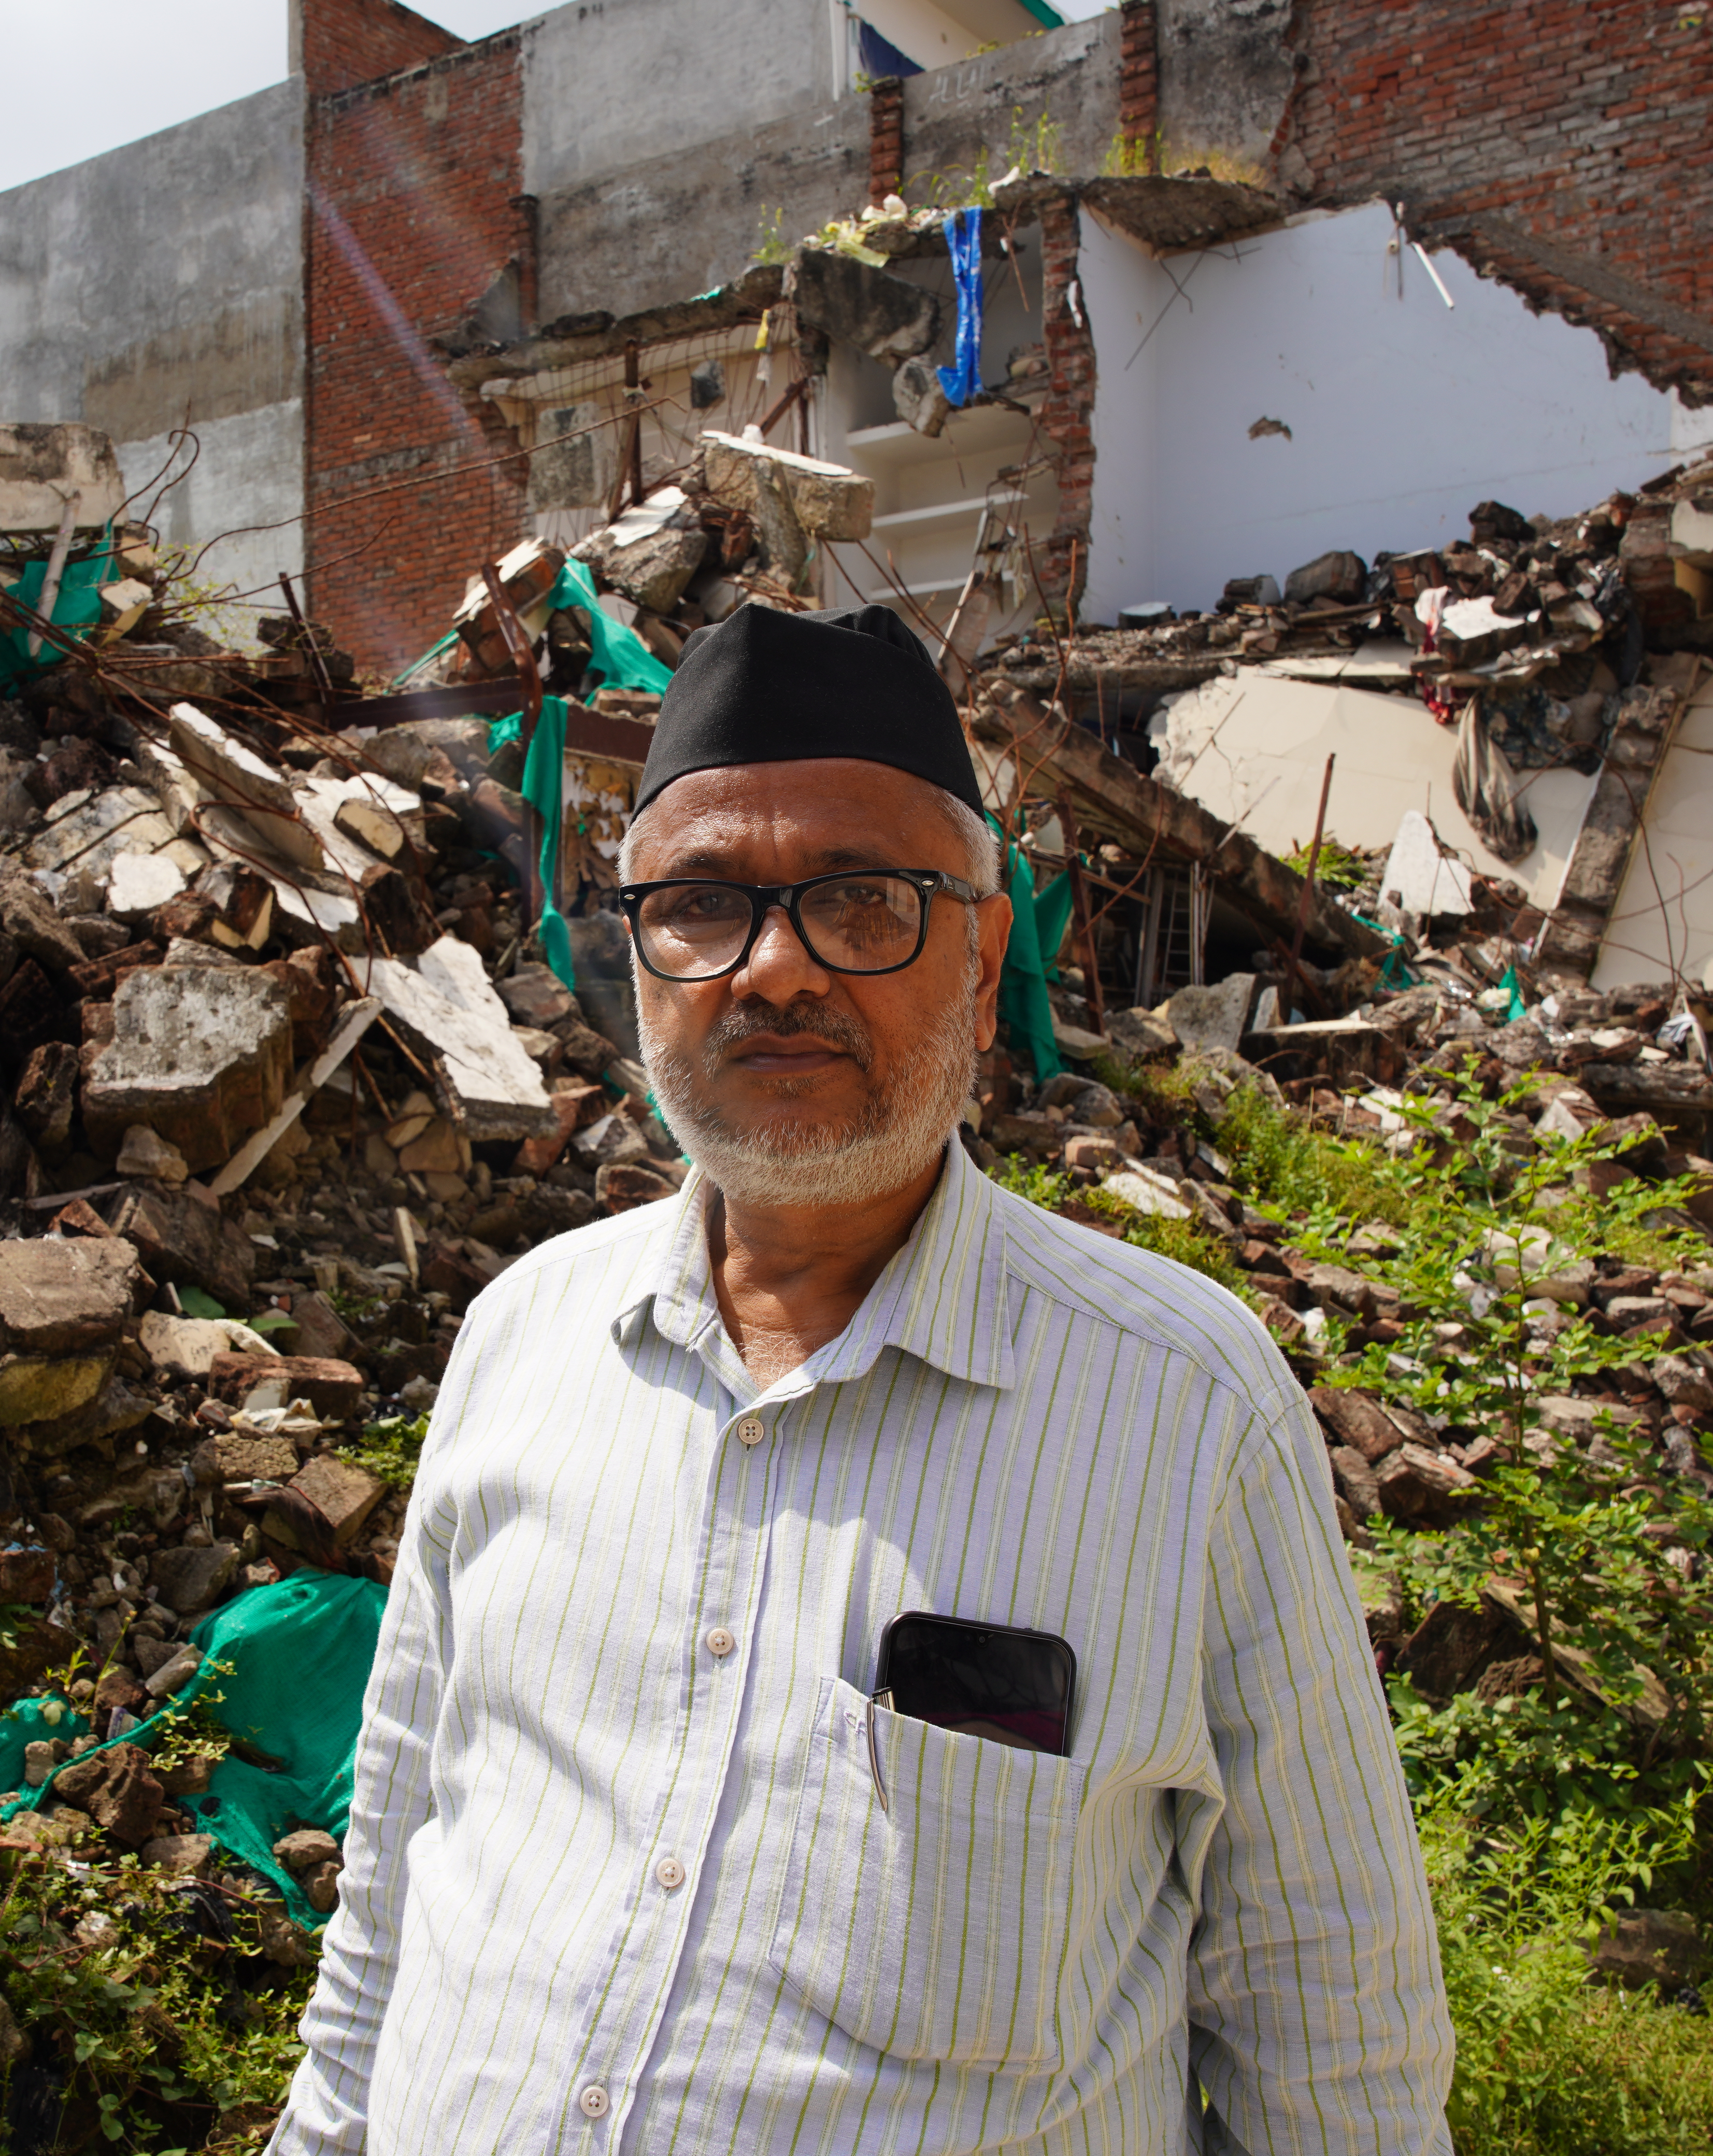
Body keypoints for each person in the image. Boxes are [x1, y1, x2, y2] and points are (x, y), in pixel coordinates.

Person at [273, 603, 1450, 2154]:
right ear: (637, 959)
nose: (773, 971)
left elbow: (1331, 2022)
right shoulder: (521, 1343)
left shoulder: (1182, 1408)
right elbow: (397, 1869)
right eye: (700, 905)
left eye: (863, 901)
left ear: (983, 962)